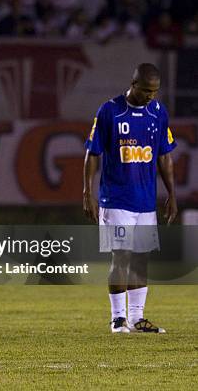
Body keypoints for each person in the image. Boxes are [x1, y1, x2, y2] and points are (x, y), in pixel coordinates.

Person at [83, 63, 177, 334]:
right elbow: (92, 154)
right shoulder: (110, 111)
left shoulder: (158, 113)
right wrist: (88, 192)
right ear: (133, 84)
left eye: (155, 91)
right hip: (116, 199)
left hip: (145, 201)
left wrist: (171, 193)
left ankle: (137, 319)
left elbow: (164, 155)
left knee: (140, 259)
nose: (151, 96)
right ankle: (117, 318)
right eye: (147, 90)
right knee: (121, 256)